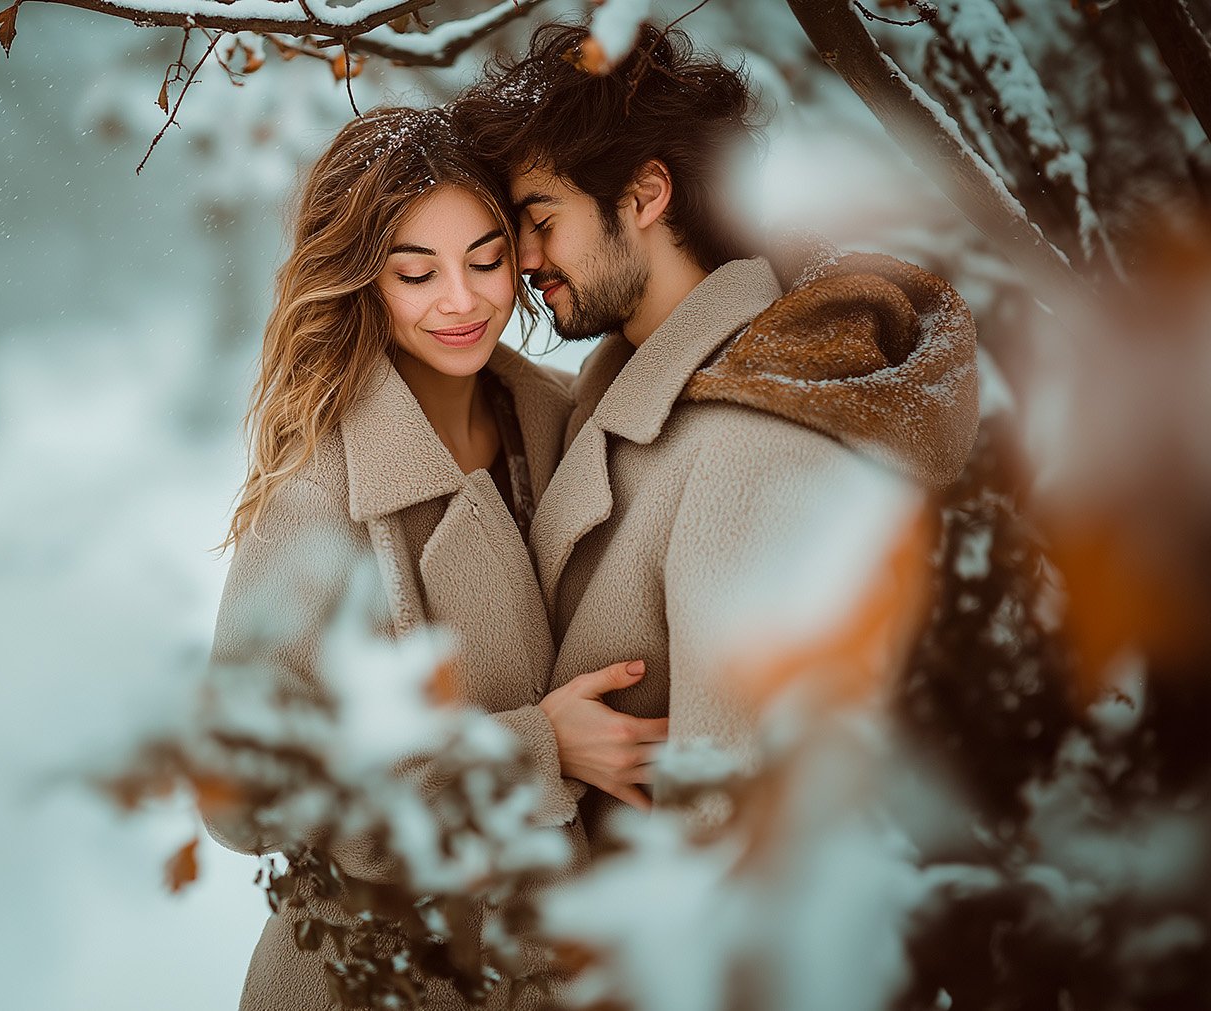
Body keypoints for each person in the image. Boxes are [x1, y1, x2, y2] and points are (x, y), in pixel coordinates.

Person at [451, 22, 982, 843]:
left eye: (542, 216)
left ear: (644, 195)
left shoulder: (757, 448)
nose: (523, 255)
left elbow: (742, 838)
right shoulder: (631, 388)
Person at [203, 105, 653, 1011]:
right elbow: (240, 792)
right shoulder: (319, 501)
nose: (463, 300)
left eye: (486, 260)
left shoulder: (566, 423)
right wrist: (530, 751)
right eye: (416, 273)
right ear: (364, 282)